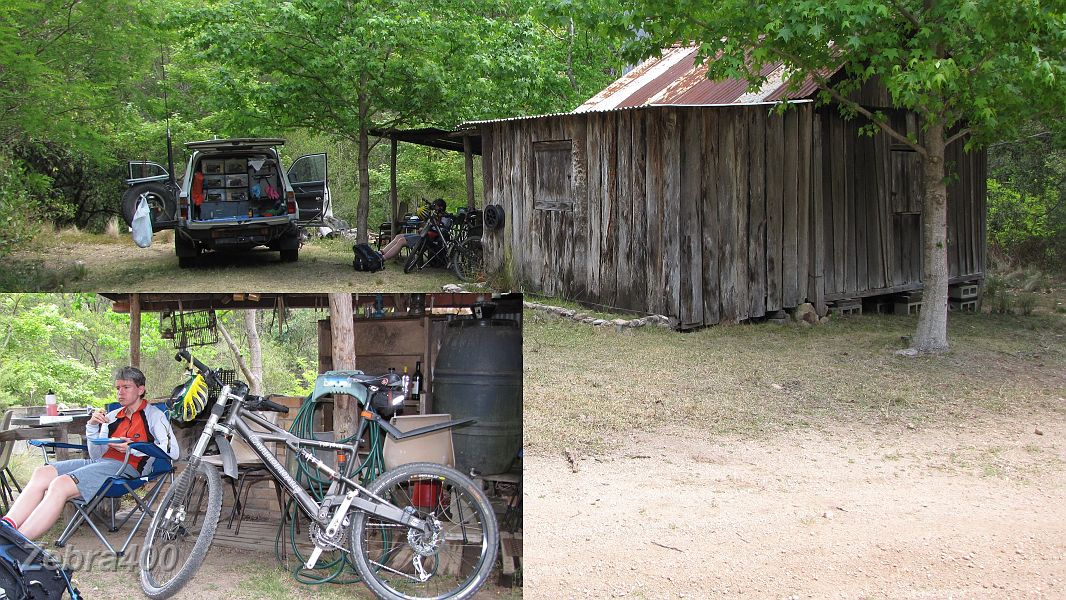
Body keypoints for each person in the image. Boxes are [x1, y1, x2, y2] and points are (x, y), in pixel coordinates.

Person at [1, 367, 180, 540]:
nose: (120, 393)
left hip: (129, 468)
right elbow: (96, 455)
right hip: (102, 463)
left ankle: (19, 540)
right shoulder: (113, 416)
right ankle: (8, 526)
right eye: (118, 388)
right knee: (42, 473)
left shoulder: (154, 416)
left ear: (141, 389)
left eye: (126, 387)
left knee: (60, 485)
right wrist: (93, 426)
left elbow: (173, 451)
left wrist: (135, 448)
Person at [379, 198, 449, 261]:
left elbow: (441, 231)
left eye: (435, 206)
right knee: (398, 236)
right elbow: (426, 226)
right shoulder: (433, 216)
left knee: (401, 241)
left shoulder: (445, 218)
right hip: (422, 235)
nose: (433, 208)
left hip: (428, 239)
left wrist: (433, 225)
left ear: (441, 207)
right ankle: (381, 253)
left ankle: (383, 259)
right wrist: (423, 226)